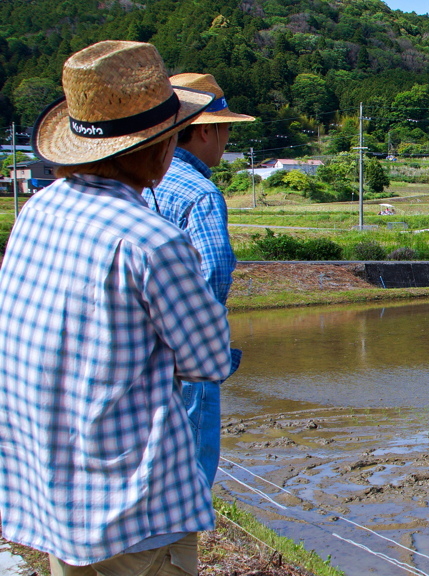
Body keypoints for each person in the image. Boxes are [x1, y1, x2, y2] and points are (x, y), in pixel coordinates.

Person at [0, 40, 231, 575]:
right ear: (157, 147)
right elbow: (210, 361)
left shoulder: (39, 211)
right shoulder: (152, 242)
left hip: (56, 489)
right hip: (133, 504)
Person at [147, 72, 253, 488]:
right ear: (205, 130)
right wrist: (208, 356)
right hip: (186, 358)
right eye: (226, 128)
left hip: (137, 351)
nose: (227, 140)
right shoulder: (200, 193)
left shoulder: (135, 179)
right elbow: (214, 272)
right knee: (188, 470)